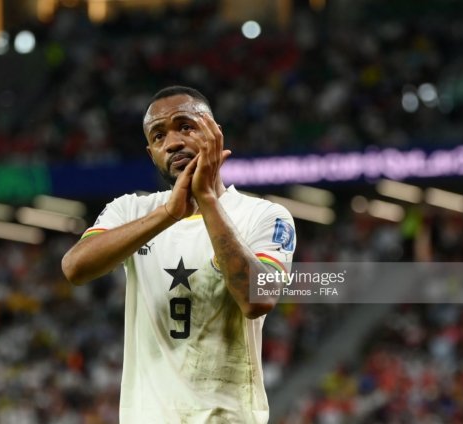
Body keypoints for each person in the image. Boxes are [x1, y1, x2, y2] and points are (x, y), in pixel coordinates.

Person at [61, 86, 296, 423]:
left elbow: (256, 299)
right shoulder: (130, 209)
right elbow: (75, 267)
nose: (172, 142)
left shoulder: (265, 216)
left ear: (214, 132)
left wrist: (207, 200)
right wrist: (168, 214)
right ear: (152, 152)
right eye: (159, 136)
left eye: (185, 126)